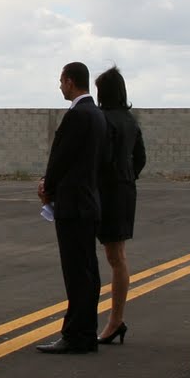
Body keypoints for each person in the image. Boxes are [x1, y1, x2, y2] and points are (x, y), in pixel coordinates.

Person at [35, 61, 107, 355]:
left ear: (69, 81)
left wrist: (46, 187)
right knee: (88, 271)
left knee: (76, 272)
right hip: (89, 202)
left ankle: (75, 334)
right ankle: (86, 332)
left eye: (61, 81)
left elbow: (60, 158)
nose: (60, 86)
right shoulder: (98, 115)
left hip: (73, 206)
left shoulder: (77, 115)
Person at [94, 65, 146, 345]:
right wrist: (127, 177)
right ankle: (115, 319)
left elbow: (99, 158)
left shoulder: (104, 120)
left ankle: (115, 321)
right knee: (118, 254)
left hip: (108, 191)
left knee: (115, 257)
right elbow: (140, 158)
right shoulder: (130, 120)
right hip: (126, 190)